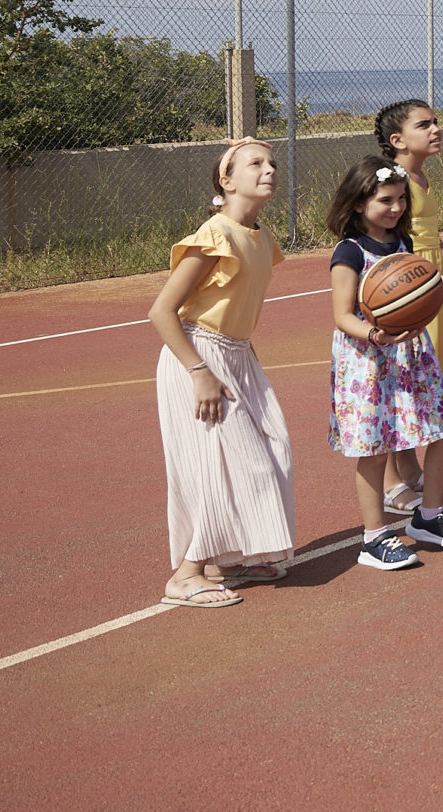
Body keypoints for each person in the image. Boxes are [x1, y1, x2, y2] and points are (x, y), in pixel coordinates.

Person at [145, 139, 295, 610]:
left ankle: (231, 560)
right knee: (220, 468)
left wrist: (239, 361)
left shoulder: (261, 238)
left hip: (238, 357)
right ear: (226, 181)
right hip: (198, 357)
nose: (269, 169)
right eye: (255, 163)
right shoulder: (215, 235)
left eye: (272, 163)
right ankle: (187, 575)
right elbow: (161, 311)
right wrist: (199, 371)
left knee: (274, 450)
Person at [325, 156, 443, 569]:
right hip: (368, 362)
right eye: (385, 201)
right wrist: (378, 334)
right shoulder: (349, 252)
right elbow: (342, 315)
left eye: (400, 201)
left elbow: (411, 290)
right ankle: (373, 538)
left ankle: (429, 517)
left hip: (411, 355)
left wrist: (432, 284)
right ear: (358, 204)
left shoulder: (403, 244)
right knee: (373, 450)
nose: (395, 209)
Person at [376, 98, 443, 511]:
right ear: (398, 139)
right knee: (401, 378)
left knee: (421, 376)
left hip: (427, 281)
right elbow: (384, 236)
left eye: (436, 122)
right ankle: (394, 480)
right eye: (424, 124)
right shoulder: (393, 181)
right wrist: (417, 275)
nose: (435, 129)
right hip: (404, 285)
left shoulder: (419, 177)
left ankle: (410, 471)